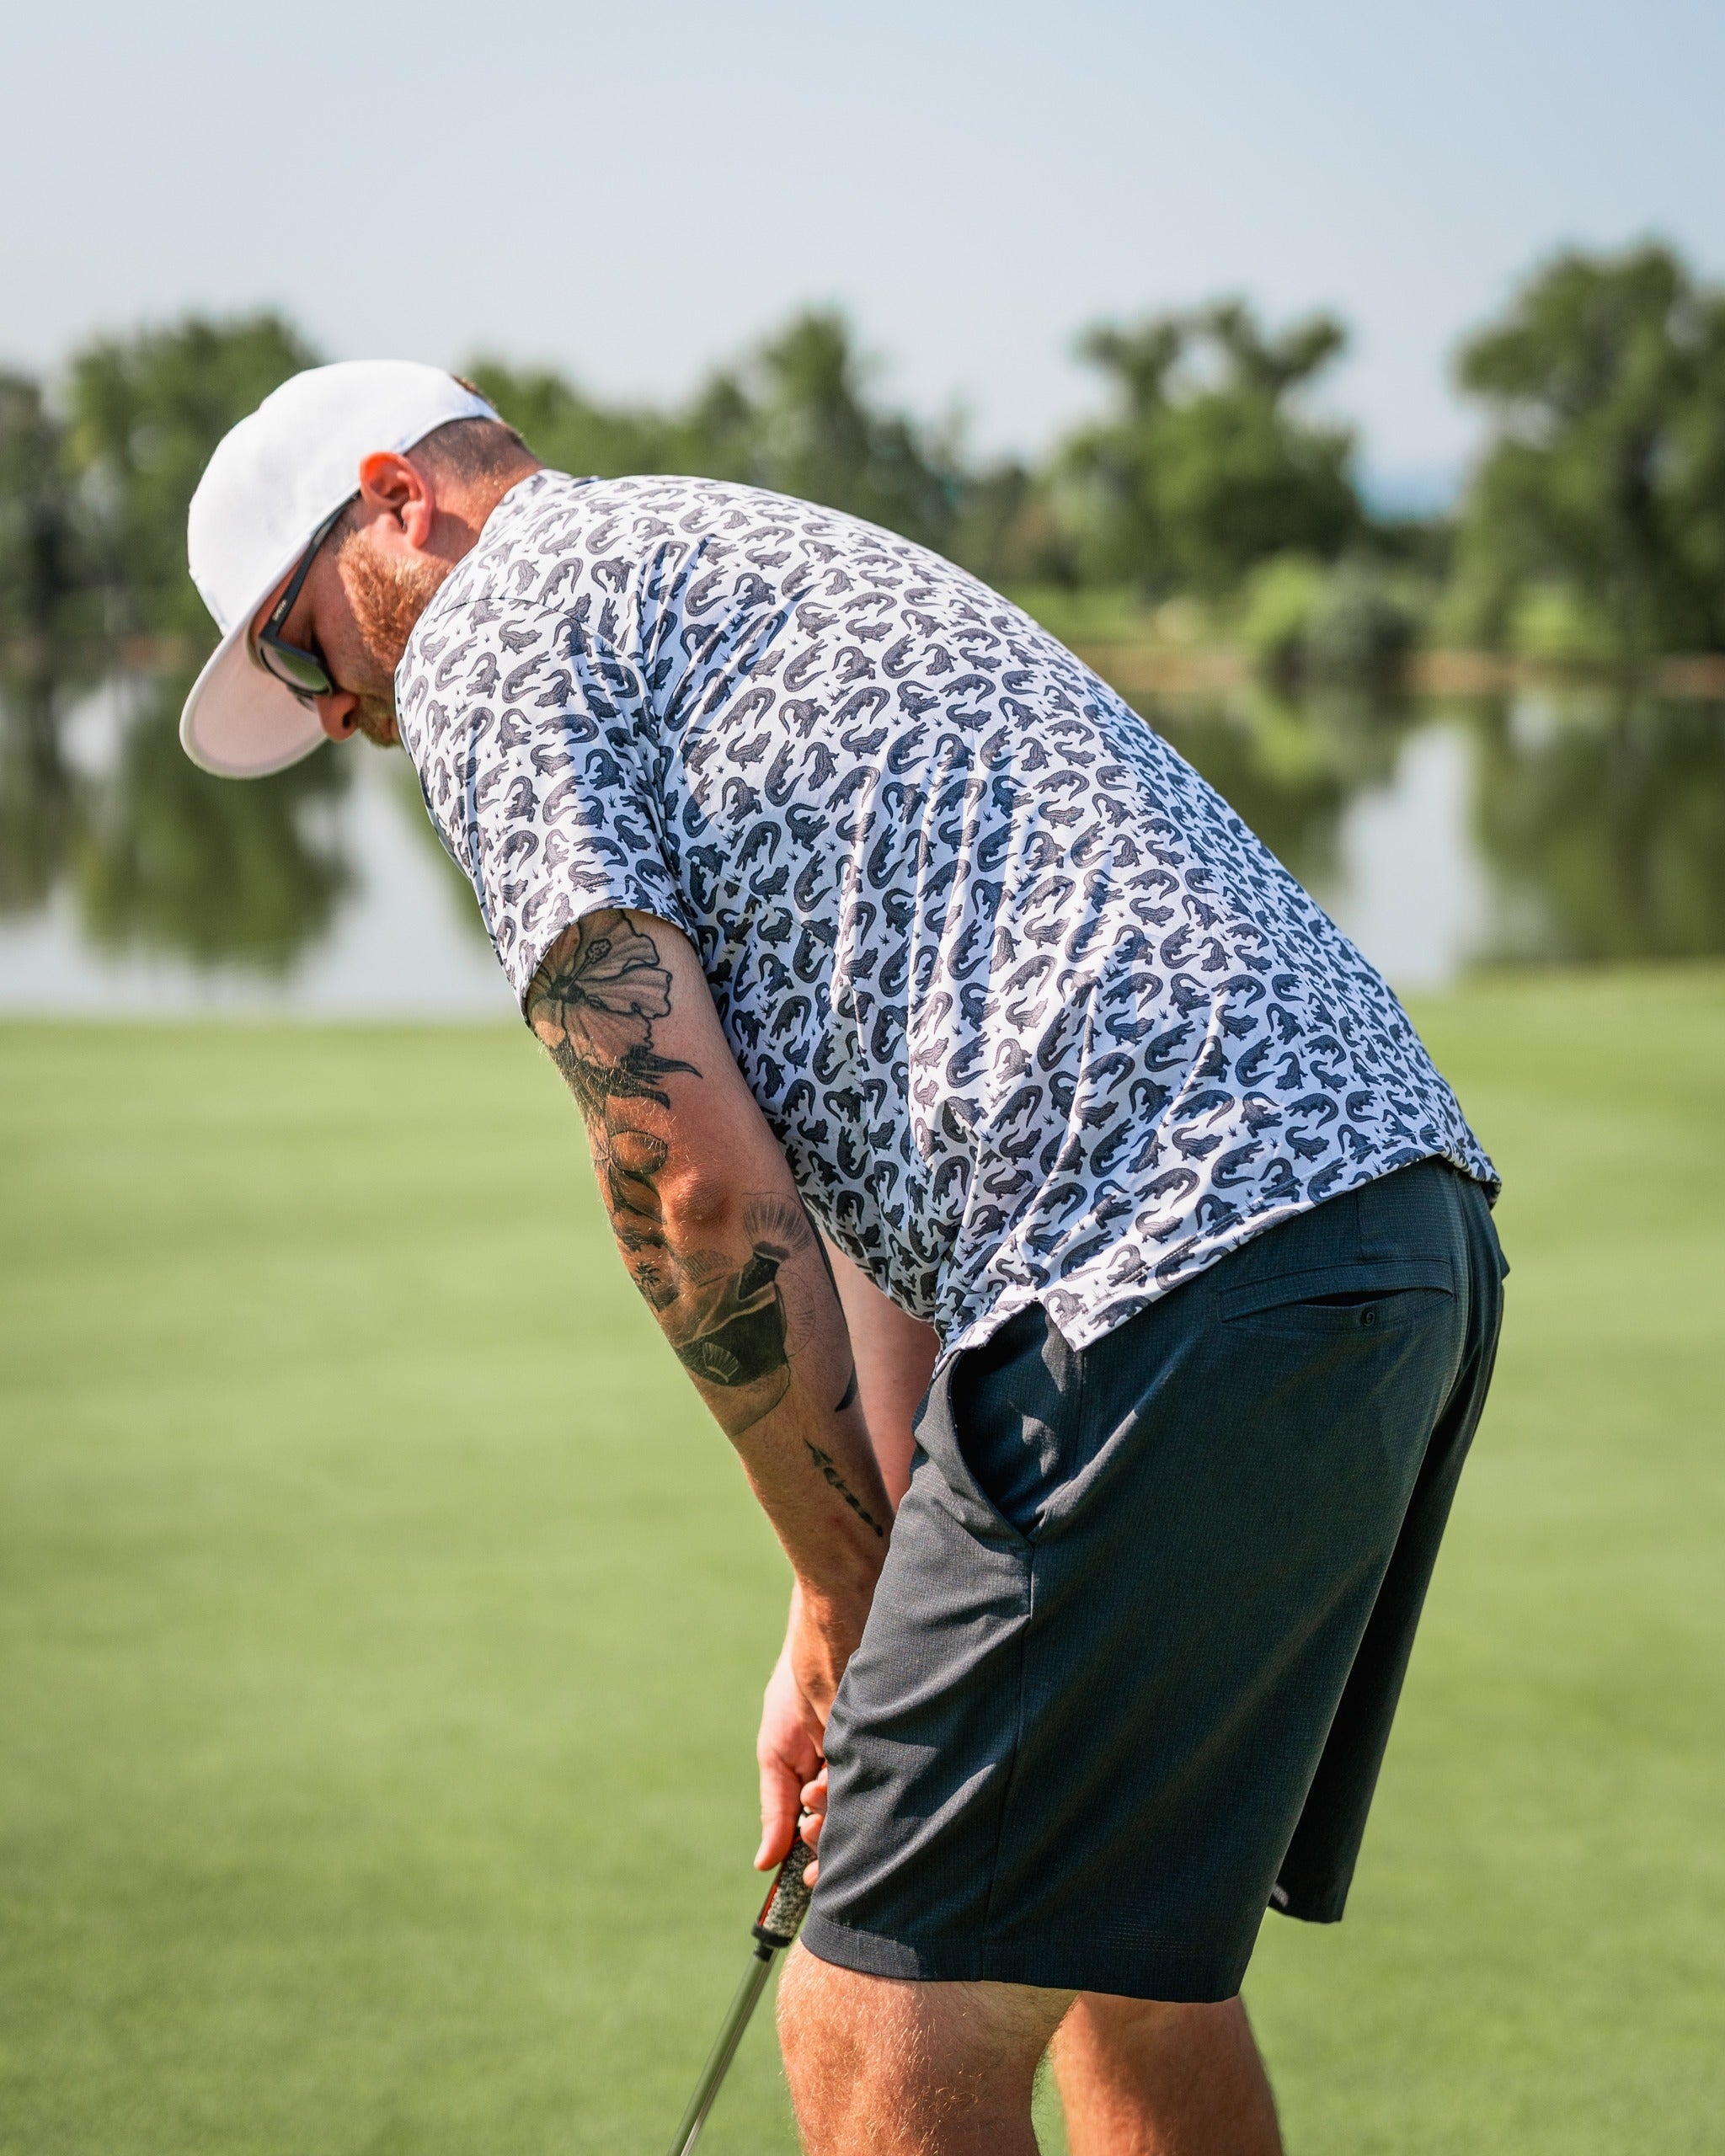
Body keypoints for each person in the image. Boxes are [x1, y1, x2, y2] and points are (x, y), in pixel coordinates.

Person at [182, 361, 1507, 2155]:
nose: (337, 711)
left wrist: (842, 1590)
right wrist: (845, 1607)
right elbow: (864, 1179)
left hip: (1154, 1264)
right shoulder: (713, 549)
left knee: (872, 2018)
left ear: (396, 502)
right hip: (1383, 1226)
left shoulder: (490, 633)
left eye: (297, 646)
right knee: (1120, 1959)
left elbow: (691, 1186)